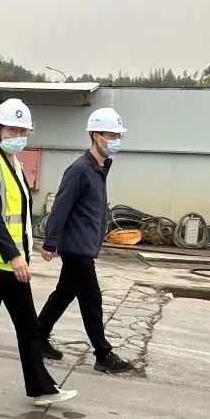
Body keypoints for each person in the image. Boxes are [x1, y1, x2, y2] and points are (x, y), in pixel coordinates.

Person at [0, 99, 78, 408]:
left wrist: (23, 255)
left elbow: (17, 219)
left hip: (12, 264)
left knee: (28, 326)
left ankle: (40, 388)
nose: (17, 136)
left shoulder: (15, 165)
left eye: (22, 131)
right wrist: (14, 256)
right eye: (11, 129)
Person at [37, 107, 134, 375]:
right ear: (95, 135)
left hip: (86, 245)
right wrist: (50, 242)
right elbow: (61, 206)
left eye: (118, 135)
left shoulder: (99, 169)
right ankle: (103, 354)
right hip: (76, 247)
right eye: (110, 135)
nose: (115, 140)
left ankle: (38, 337)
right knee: (92, 299)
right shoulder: (79, 169)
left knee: (63, 294)